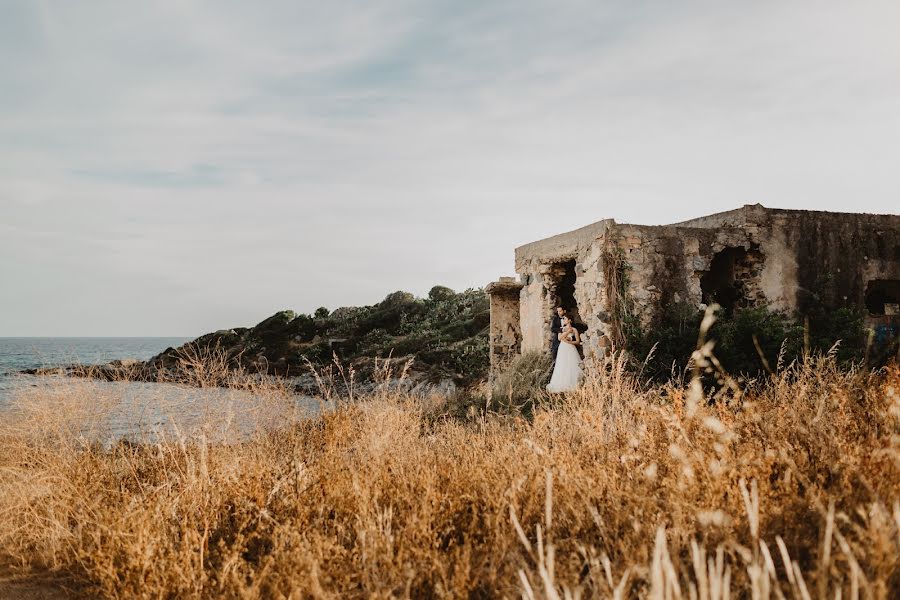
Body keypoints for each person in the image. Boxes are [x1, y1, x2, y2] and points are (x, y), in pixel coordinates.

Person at [547, 315, 583, 393]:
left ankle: (573, 382)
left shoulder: (574, 329)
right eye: (563, 318)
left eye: (565, 318)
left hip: (571, 347)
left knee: (572, 364)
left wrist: (570, 342)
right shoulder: (562, 329)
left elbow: (577, 341)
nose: (564, 320)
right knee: (562, 364)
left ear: (570, 320)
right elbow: (560, 338)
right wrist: (567, 332)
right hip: (562, 348)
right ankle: (562, 382)